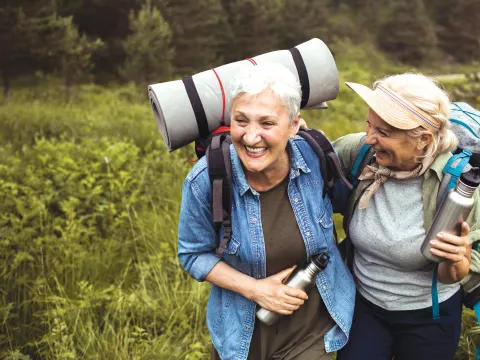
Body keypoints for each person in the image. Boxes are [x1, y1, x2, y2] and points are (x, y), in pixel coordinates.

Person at [177, 63, 355, 360]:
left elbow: (350, 209)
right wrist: (256, 290)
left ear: (295, 125)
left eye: (267, 124)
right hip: (240, 335)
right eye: (241, 121)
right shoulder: (207, 179)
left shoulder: (317, 159)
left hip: (312, 333)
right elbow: (192, 254)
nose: (250, 137)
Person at [330, 73, 480, 360]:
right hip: (364, 307)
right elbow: (301, 163)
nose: (370, 138)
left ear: (423, 139)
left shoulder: (457, 185)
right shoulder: (360, 153)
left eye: (384, 132)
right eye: (369, 125)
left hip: (428, 317)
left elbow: (452, 275)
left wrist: (457, 259)